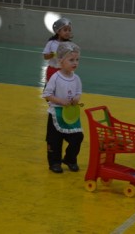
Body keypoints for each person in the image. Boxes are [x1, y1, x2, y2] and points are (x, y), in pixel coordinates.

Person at [42, 41, 84, 173]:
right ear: (60, 61)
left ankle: (70, 159)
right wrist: (60, 101)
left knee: (78, 136)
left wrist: (76, 99)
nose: (75, 63)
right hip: (56, 113)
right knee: (54, 140)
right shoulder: (55, 77)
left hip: (70, 114)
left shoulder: (76, 78)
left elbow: (78, 93)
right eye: (71, 60)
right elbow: (47, 95)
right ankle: (54, 162)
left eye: (77, 60)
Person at [42, 17, 72, 83]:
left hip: (64, 71)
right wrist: (53, 54)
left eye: (69, 30)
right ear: (58, 31)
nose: (68, 32)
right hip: (52, 70)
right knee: (50, 90)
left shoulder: (69, 45)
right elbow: (45, 56)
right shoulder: (51, 43)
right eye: (65, 30)